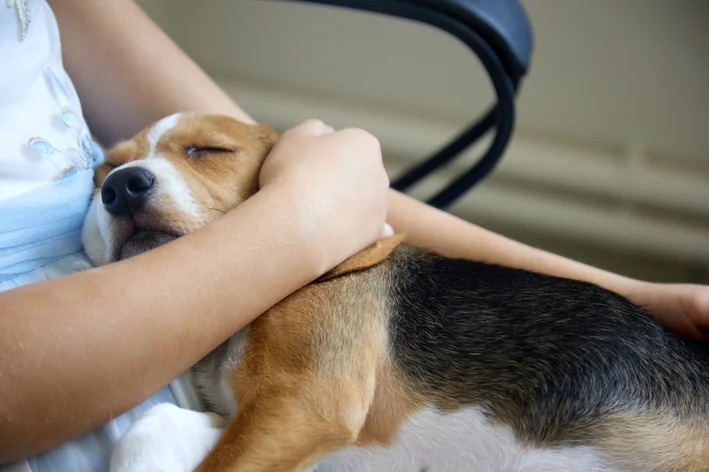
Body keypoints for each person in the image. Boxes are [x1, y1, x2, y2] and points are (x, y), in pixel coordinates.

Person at [0, 0, 707, 469]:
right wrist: (303, 215)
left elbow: (353, 215)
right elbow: (316, 207)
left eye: (205, 154)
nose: (125, 182)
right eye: (109, 177)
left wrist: (627, 292)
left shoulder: (320, 287)